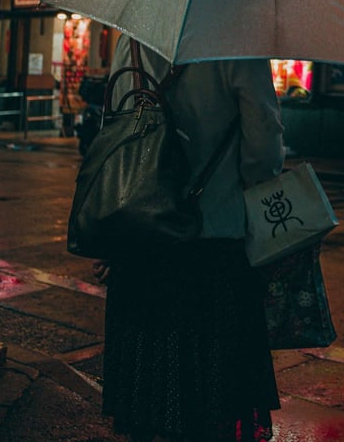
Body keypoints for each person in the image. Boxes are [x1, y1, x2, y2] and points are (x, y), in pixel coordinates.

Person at [93, 34, 285, 442]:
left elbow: (114, 126)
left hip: (142, 238)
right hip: (213, 239)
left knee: (150, 391)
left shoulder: (131, 41)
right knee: (213, 392)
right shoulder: (237, 42)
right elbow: (264, 152)